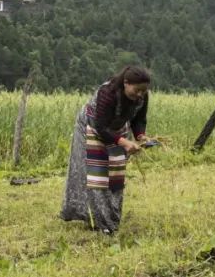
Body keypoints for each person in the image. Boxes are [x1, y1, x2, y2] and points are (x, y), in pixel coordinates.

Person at [60, 66, 151, 234]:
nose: (140, 94)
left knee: (115, 176)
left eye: (143, 91)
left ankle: (111, 217)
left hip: (116, 131)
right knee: (97, 177)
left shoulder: (142, 97)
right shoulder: (108, 93)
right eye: (137, 90)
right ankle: (100, 222)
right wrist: (124, 142)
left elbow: (139, 119)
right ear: (125, 83)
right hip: (92, 129)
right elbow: (101, 127)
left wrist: (140, 136)